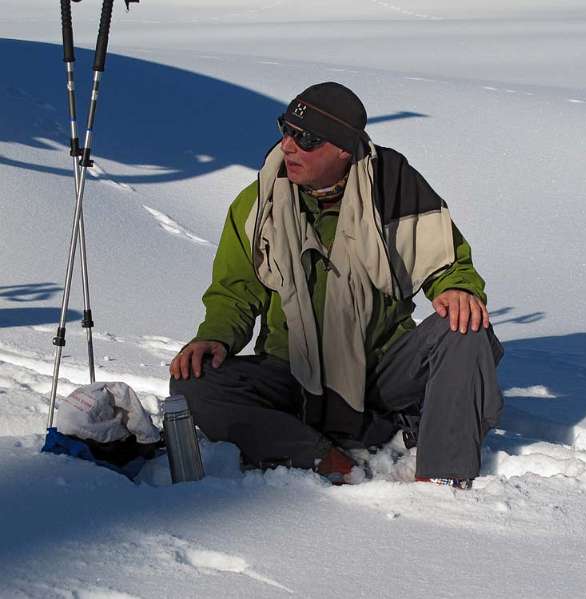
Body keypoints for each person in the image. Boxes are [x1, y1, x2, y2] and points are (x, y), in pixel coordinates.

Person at [169, 82, 503, 488]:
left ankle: (442, 476)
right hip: (290, 371)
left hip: (381, 370)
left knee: (465, 326)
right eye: (286, 129)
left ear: (344, 149)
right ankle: (320, 456)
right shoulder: (258, 203)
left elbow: (448, 261)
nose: (289, 146)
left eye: (306, 139)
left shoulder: (395, 190)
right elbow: (236, 289)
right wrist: (216, 337)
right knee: (193, 382)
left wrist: (457, 289)